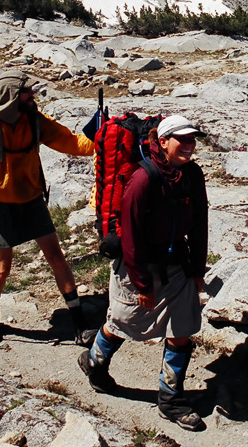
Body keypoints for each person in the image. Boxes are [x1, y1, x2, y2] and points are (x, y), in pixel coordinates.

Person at [77, 114, 210, 431]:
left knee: (182, 329)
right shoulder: (142, 179)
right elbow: (131, 237)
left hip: (176, 263)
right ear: (163, 141)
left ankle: (170, 399)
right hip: (137, 267)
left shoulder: (192, 175)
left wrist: (196, 270)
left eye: (193, 140)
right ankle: (95, 362)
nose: (190, 146)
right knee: (122, 322)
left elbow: (201, 223)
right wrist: (142, 285)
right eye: (183, 139)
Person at [0, 69, 97, 345]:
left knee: (57, 257)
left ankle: (78, 320)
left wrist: (102, 142)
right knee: (2, 268)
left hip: (31, 199)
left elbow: (69, 141)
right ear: (12, 97)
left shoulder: (35, 120)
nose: (33, 96)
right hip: (0, 204)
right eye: (27, 92)